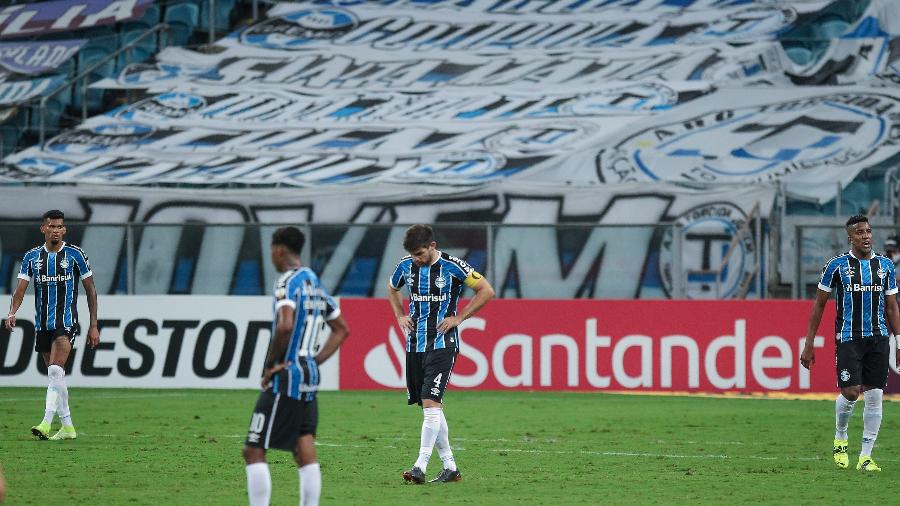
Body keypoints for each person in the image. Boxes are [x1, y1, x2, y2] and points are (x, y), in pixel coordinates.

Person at [242, 226, 350, 506]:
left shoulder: (286, 282)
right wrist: (313, 361)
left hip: (286, 377)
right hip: (309, 376)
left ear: (278, 250)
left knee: (253, 449)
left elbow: (285, 325)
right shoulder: (314, 281)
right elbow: (341, 329)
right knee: (304, 450)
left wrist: (271, 364)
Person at [387, 224, 495, 484]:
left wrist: (460, 317)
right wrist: (400, 315)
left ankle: (419, 467)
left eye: (421, 253)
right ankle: (450, 467)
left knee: (430, 404)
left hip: (442, 344)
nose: (417, 259)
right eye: (413, 254)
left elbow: (487, 290)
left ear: (432, 246)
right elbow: (392, 288)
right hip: (414, 344)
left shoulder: (453, 266)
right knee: (428, 406)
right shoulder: (405, 266)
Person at [801, 215, 900, 472]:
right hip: (848, 338)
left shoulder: (885, 266)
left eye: (868, 231)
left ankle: (866, 456)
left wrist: (899, 341)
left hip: (878, 338)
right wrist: (809, 342)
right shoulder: (836, 266)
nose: (866, 236)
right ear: (850, 238)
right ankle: (841, 436)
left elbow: (892, 307)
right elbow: (819, 305)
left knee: (876, 395)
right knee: (851, 392)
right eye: (859, 232)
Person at [4, 209, 99, 441]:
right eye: (51, 226)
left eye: (59, 227)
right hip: (42, 323)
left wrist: (94, 324)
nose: (56, 230)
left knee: (55, 370)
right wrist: (12, 312)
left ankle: (46, 422)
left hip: (66, 322)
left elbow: (90, 290)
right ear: (43, 229)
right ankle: (67, 426)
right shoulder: (31, 257)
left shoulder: (76, 254)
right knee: (56, 376)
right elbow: (20, 290)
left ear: (64, 229)